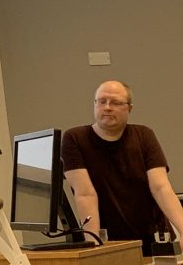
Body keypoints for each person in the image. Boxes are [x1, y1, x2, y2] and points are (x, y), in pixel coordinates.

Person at [62, 80, 183, 255]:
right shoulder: (74, 139)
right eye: (102, 101)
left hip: (154, 238)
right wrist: (93, 247)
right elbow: (85, 194)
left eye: (116, 102)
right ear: (94, 104)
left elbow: (161, 187)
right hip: (110, 243)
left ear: (129, 108)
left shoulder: (144, 135)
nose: (107, 107)